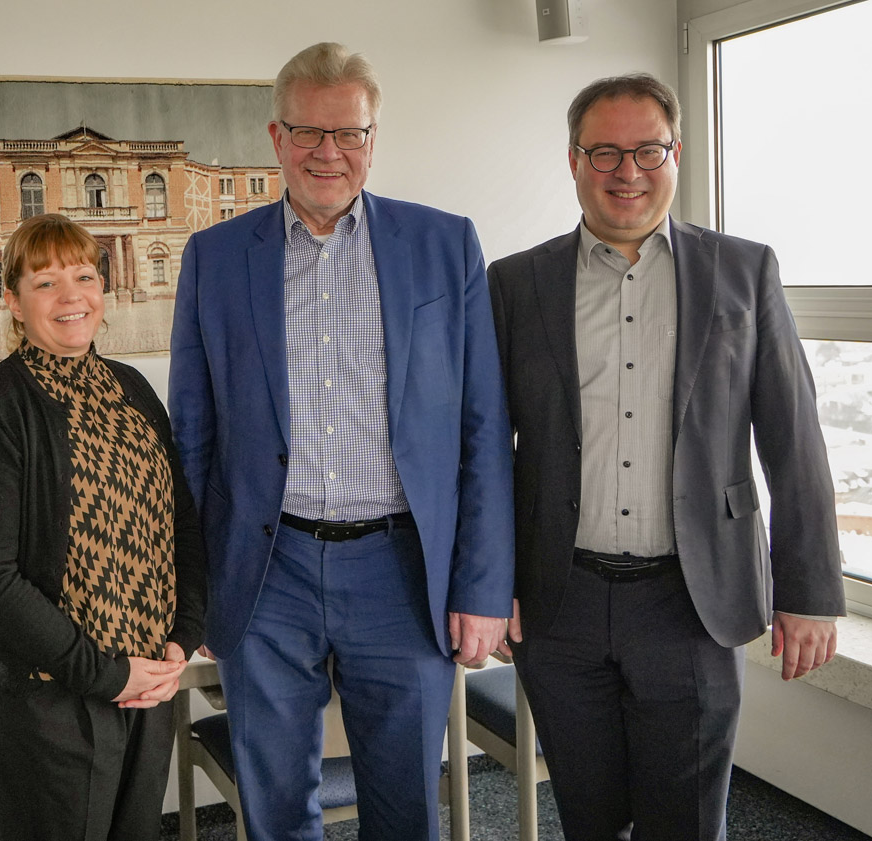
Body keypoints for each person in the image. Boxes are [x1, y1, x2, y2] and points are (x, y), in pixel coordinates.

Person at [168, 41, 513, 841]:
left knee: (403, 807)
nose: (330, 153)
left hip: (401, 570)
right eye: (309, 133)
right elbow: (194, 435)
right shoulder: (216, 258)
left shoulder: (444, 246)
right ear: (276, 138)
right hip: (266, 572)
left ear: (373, 138)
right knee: (277, 807)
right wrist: (194, 588)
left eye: (350, 134)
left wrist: (484, 586)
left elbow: (483, 430)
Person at [488, 73, 845, 841]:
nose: (627, 170)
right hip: (560, 603)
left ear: (676, 153)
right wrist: (485, 582)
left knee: (685, 823)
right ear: (574, 160)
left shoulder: (744, 272)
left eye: (647, 149)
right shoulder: (516, 282)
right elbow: (484, 449)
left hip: (691, 602)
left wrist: (809, 588)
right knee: (588, 817)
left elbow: (794, 439)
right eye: (605, 151)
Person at [0, 213, 206, 841]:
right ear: (12, 301)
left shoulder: (135, 389)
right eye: (45, 282)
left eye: (85, 276)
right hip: (44, 703)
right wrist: (104, 674)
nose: (71, 297)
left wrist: (183, 633)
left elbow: (181, 522)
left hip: (147, 688)